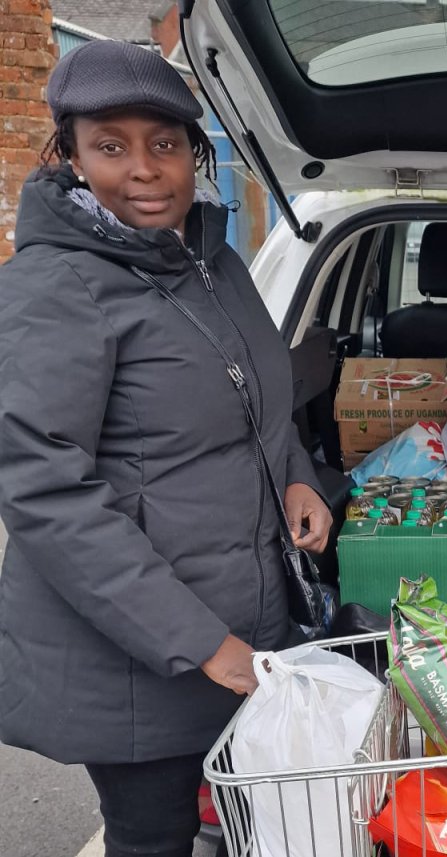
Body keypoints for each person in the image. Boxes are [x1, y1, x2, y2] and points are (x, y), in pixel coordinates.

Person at [0, 41, 333, 857]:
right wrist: (201, 642)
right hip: (135, 659)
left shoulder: (213, 263)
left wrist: (294, 475)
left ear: (194, 153)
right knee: (155, 838)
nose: (144, 170)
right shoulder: (55, 287)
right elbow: (48, 495)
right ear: (71, 159)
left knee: (255, 817)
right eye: (111, 146)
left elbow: (258, 398)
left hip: (240, 626)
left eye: (165, 143)